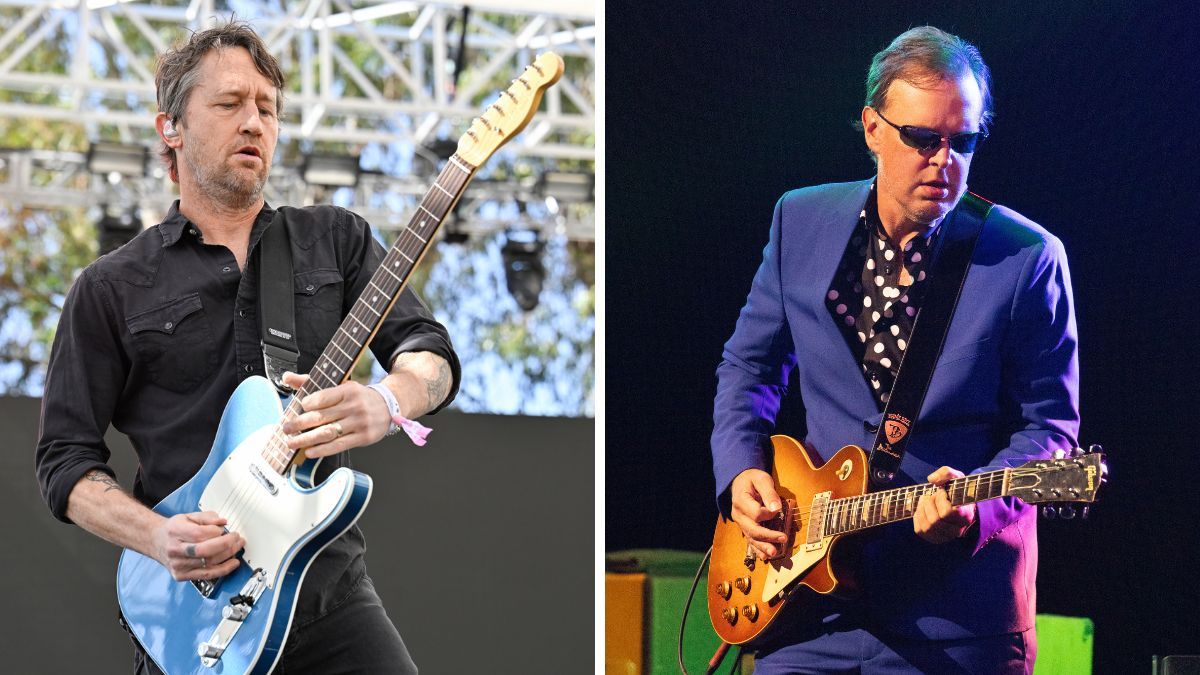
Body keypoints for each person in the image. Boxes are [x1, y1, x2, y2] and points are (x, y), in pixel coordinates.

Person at [34, 21, 458, 674]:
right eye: (230, 103)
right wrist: (156, 535)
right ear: (169, 128)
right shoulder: (110, 286)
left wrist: (388, 398)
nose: (254, 121)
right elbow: (65, 461)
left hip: (329, 589)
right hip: (194, 604)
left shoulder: (335, 240)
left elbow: (432, 356)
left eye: (267, 107)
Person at [711, 26, 1078, 674]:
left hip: (956, 625)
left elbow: (1049, 428)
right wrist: (741, 471)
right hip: (805, 608)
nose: (945, 161)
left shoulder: (1027, 259)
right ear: (873, 128)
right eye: (922, 139)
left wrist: (978, 507)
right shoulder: (798, 220)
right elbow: (748, 366)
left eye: (963, 141)